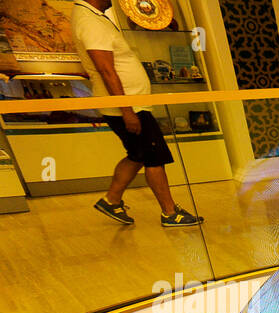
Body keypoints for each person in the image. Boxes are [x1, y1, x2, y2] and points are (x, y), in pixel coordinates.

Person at [70, 0, 204, 227]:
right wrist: (127, 111)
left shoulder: (95, 18)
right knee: (154, 156)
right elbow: (106, 70)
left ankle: (111, 200)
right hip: (128, 107)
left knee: (138, 154)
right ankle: (170, 213)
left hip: (130, 105)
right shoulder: (89, 21)